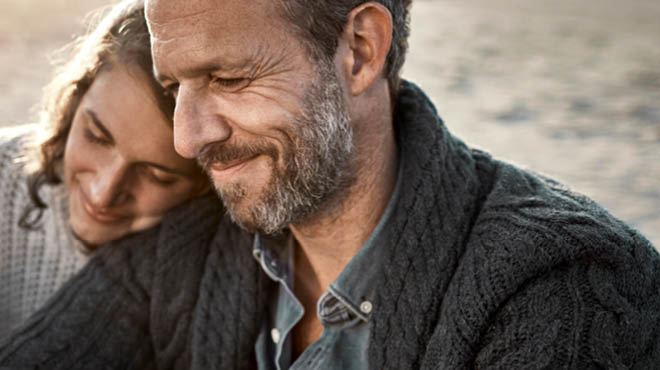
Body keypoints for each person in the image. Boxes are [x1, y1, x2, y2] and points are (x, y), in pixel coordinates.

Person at [2, 0, 660, 369]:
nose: (188, 138)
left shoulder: (566, 283)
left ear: (360, 51)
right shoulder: (188, 248)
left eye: (229, 80)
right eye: (177, 88)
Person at [0, 0, 208, 341]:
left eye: (157, 175)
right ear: (75, 99)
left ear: (203, 185)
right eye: (96, 136)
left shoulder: (212, 269)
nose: (103, 192)